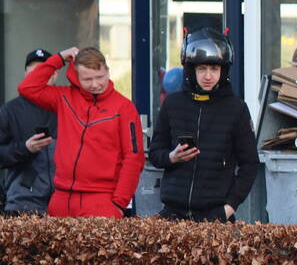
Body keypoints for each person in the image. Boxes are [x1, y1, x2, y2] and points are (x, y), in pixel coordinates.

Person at [18, 46, 143, 218]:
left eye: (100, 77)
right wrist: (59, 58)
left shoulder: (124, 107)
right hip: (61, 199)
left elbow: (133, 158)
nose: (95, 84)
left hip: (102, 200)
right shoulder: (64, 98)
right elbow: (27, 88)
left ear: (107, 71)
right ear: (76, 77)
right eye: (87, 79)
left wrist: (118, 203)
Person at [148, 28, 258, 222]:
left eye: (214, 69)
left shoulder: (236, 109)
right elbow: (155, 153)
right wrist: (171, 157)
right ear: (191, 70)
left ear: (223, 70)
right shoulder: (172, 104)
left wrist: (229, 207)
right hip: (173, 215)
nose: (208, 76)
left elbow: (250, 164)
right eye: (202, 69)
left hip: (216, 216)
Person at [0, 50, 58, 215]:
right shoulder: (9, 111)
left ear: (54, 75)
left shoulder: (67, 105)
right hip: (22, 203)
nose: (38, 77)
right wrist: (25, 148)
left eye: (43, 72)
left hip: (64, 203)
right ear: (26, 74)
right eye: (33, 72)